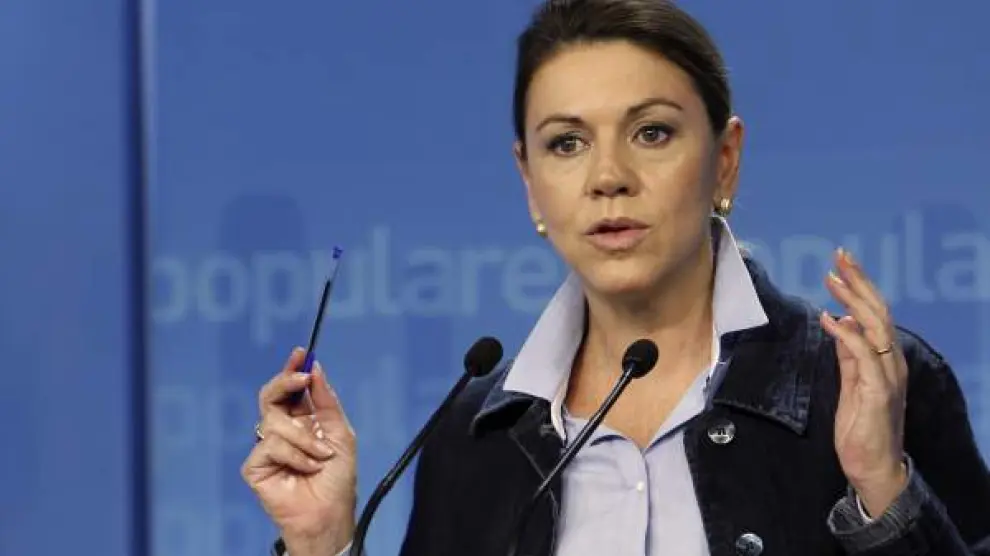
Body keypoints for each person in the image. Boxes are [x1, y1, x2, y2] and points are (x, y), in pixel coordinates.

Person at [240, 0, 990, 554]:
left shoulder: (859, 386)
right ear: (529, 182)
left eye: (651, 132)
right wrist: (324, 545)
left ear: (725, 160)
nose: (608, 177)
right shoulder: (474, 435)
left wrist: (884, 496)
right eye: (566, 144)